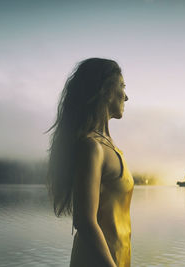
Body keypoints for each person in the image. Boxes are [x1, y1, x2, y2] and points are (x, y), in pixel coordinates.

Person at [46, 58, 134, 267]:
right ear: (104, 89)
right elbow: (85, 222)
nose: (127, 96)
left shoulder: (110, 147)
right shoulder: (91, 147)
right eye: (122, 86)